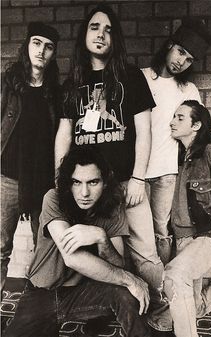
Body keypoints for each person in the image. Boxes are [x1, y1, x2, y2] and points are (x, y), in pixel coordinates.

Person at [54, 2, 167, 320]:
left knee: (144, 253)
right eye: (94, 27)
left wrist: (138, 178)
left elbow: (144, 132)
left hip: (124, 184)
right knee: (98, 254)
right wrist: (63, 182)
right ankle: (111, 312)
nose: (101, 34)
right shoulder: (72, 84)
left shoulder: (130, 77)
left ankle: (157, 313)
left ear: (115, 38)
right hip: (87, 187)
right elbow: (64, 136)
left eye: (108, 29)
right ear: (84, 35)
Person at [3, 146, 154, 337]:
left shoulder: (113, 205)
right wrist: (131, 280)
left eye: (93, 182)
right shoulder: (53, 198)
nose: (84, 193)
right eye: (76, 182)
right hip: (43, 293)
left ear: (106, 182)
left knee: (126, 293)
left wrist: (101, 237)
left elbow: (119, 264)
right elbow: (72, 258)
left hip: (85, 292)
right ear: (68, 183)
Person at [142, 18, 211, 267]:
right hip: (136, 173)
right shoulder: (141, 78)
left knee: (161, 234)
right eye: (180, 51)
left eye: (189, 59)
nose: (181, 61)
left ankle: (161, 294)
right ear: (170, 45)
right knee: (136, 236)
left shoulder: (188, 89)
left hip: (167, 173)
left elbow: (202, 127)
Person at [160, 100, 211, 337]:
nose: (172, 122)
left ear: (196, 125)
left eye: (180, 117)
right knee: (192, 304)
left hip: (208, 237)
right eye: (173, 116)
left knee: (175, 275)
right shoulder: (174, 153)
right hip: (182, 240)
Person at [1, 22, 61, 292]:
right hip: (6, 179)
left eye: (48, 47)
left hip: (43, 183)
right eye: (36, 43)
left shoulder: (55, 93)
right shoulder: (7, 84)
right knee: (0, 248)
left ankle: (39, 316)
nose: (41, 51)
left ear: (53, 54)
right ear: (27, 46)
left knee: (45, 250)